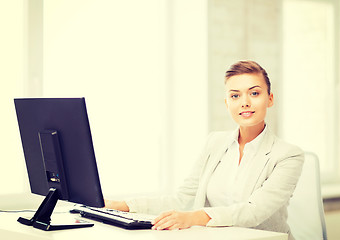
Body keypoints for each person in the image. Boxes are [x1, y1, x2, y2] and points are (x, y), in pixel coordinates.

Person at [105, 60, 304, 240]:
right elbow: (182, 199)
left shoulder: (288, 155)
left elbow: (254, 212)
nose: (245, 102)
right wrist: (122, 206)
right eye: (235, 95)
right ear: (227, 103)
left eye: (254, 93)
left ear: (269, 99)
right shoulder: (215, 143)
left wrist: (193, 217)